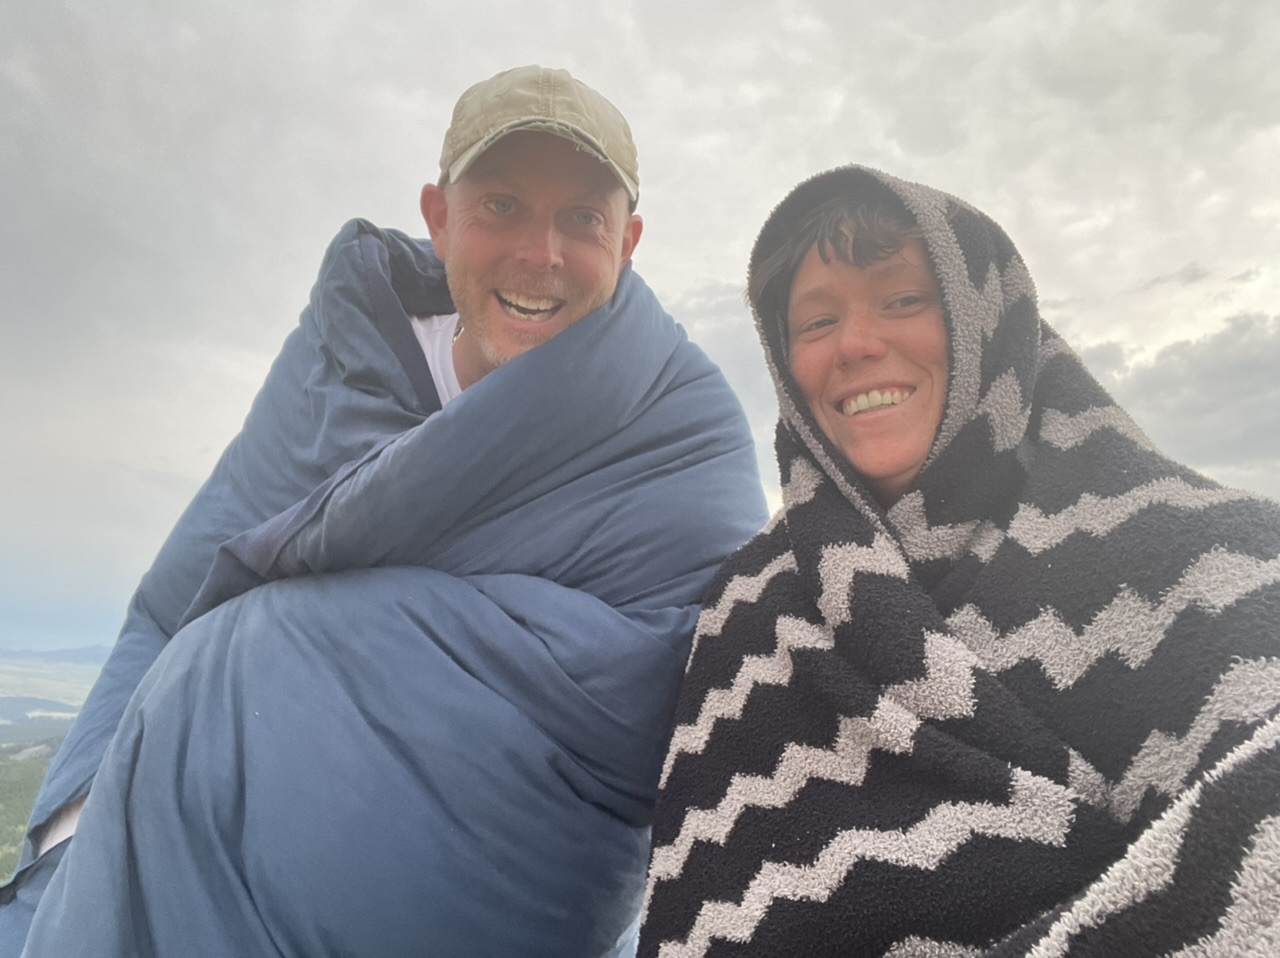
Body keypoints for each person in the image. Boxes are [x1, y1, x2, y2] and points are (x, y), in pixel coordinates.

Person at [0, 65, 767, 957]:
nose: (541, 254)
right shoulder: (347, 358)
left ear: (629, 242)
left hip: (500, 903)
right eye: (503, 207)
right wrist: (71, 835)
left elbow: (670, 684)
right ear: (440, 218)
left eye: (582, 220)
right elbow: (175, 601)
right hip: (187, 843)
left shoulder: (681, 429)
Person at [640, 165, 1280, 956]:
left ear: (986, 321)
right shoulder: (747, 614)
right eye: (814, 322)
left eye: (904, 299)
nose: (856, 345)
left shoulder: (1207, 558)